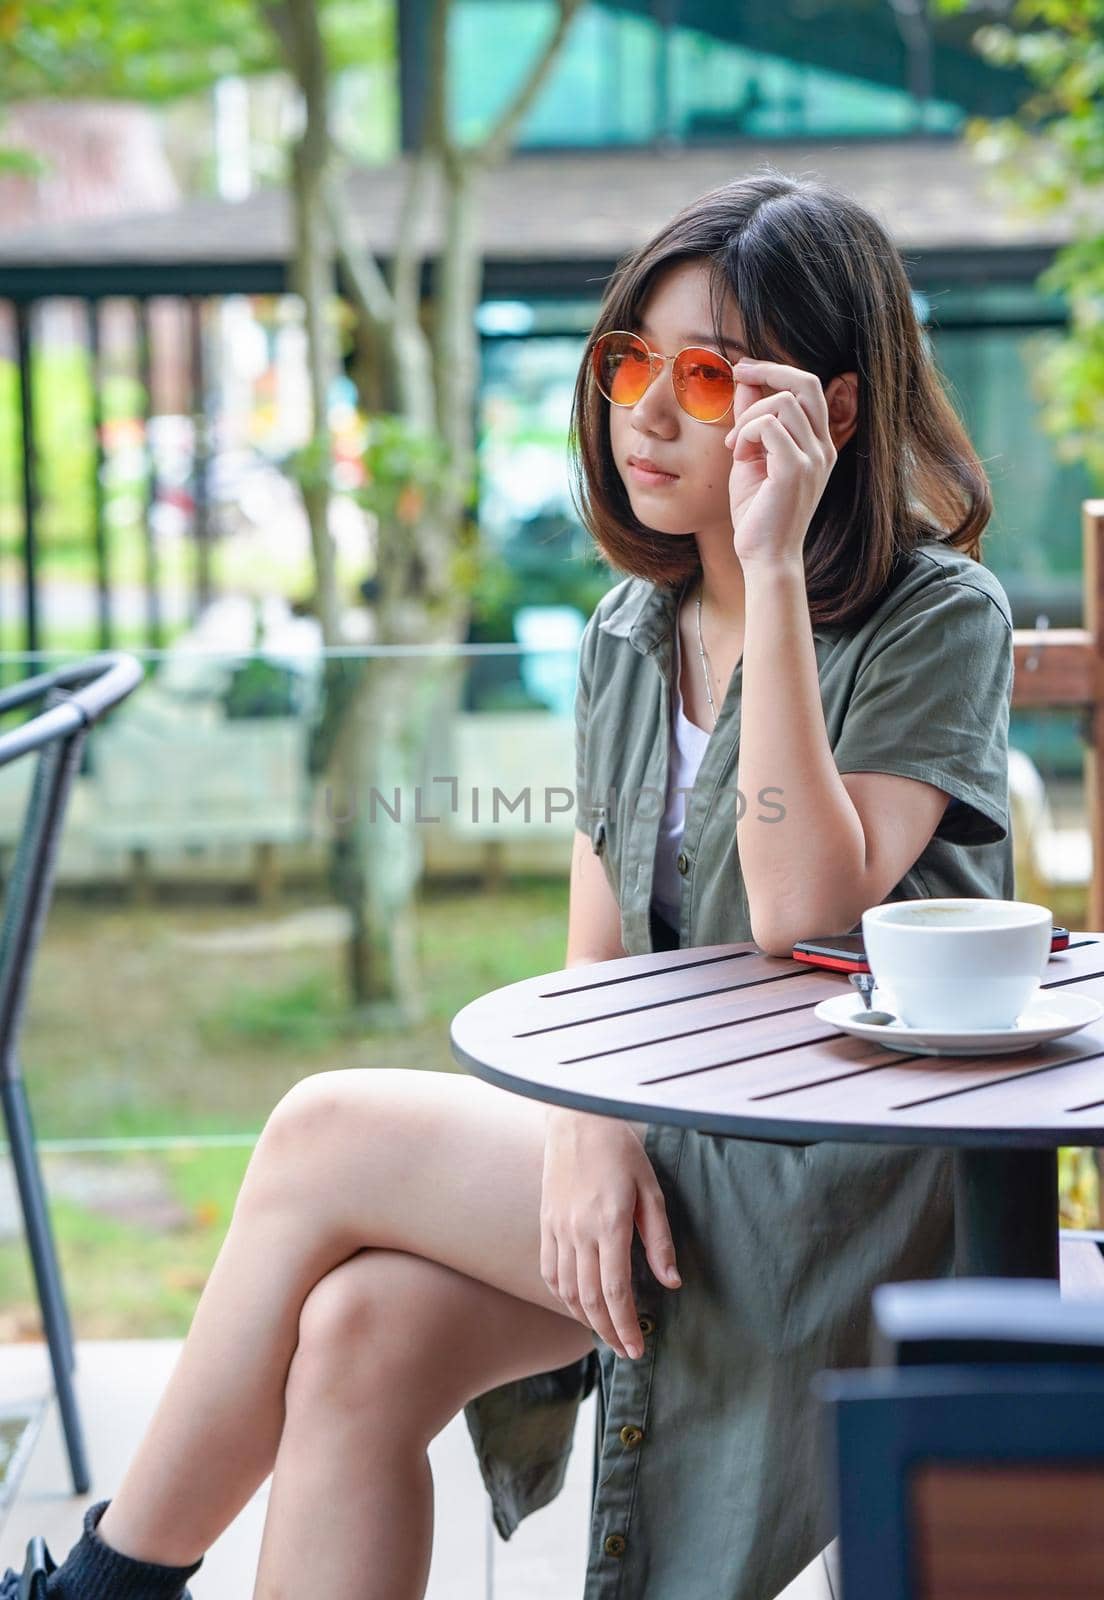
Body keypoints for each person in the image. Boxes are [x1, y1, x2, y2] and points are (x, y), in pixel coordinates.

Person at [2, 167, 1015, 1600]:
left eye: (711, 376)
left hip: (825, 1175)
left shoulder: (932, 617)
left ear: (828, 412)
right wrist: (581, 1136)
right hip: (664, 1139)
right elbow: (593, 960)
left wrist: (777, 568)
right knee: (358, 1334)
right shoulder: (631, 629)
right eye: (628, 365)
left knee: (318, 1130)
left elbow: (805, 914)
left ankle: (101, 1587)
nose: (649, 413)